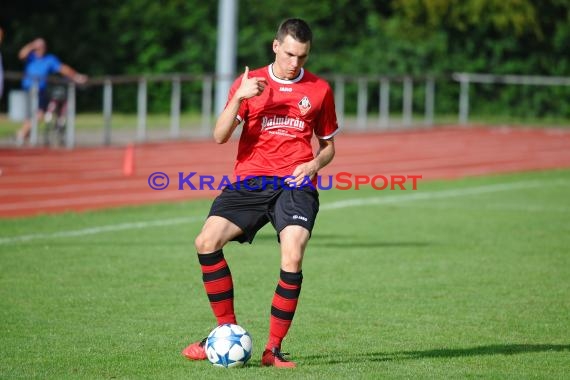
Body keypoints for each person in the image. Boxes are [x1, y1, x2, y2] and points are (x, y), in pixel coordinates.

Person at [182, 18, 339, 368]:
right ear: (275, 46)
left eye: (302, 56)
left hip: (296, 184)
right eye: (289, 54)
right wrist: (238, 97)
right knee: (206, 242)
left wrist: (314, 165)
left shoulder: (319, 90)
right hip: (251, 180)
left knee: (293, 254)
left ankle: (273, 350)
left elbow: (328, 147)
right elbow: (220, 136)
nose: (295, 63)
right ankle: (224, 332)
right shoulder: (249, 83)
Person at [16, 38, 88, 145]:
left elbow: (63, 69)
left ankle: (22, 134)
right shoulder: (30, 57)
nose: (39, 49)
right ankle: (23, 135)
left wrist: (76, 76)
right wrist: (32, 45)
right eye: (38, 47)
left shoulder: (49, 59)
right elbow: (21, 55)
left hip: (40, 92)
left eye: (41, 47)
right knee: (30, 116)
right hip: (28, 90)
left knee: (39, 115)